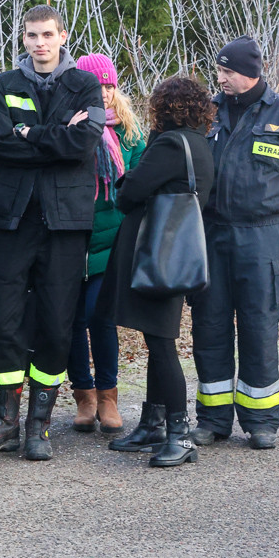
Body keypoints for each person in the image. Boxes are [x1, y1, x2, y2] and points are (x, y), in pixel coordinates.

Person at [0, 5, 105, 462]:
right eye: (31, 35)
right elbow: (0, 146)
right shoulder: (5, 85)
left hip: (66, 223)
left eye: (48, 34)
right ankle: (4, 420)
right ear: (22, 38)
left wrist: (30, 135)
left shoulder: (84, 84)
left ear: (63, 36)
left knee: (56, 321)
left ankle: (38, 426)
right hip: (13, 219)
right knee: (4, 321)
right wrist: (53, 136)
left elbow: (82, 144)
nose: (40, 43)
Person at [189, 36, 279, 450]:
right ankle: (213, 420)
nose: (221, 79)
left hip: (262, 235)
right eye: (219, 71)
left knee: (259, 326)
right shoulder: (206, 114)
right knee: (209, 325)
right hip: (210, 233)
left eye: (228, 72)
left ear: (251, 73)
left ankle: (261, 420)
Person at [103, 77, 215, 466]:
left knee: (163, 345)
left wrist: (148, 146)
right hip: (178, 255)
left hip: (159, 256)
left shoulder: (169, 145)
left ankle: (179, 433)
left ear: (163, 108)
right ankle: (153, 423)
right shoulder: (199, 143)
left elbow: (128, 192)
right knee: (157, 339)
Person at [67, 54, 146, 435]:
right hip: (71, 239)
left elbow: (143, 185)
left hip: (111, 243)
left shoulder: (130, 134)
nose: (104, 93)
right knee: (70, 321)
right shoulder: (69, 125)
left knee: (101, 318)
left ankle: (108, 396)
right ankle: (84, 396)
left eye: (109, 85)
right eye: (96, 86)